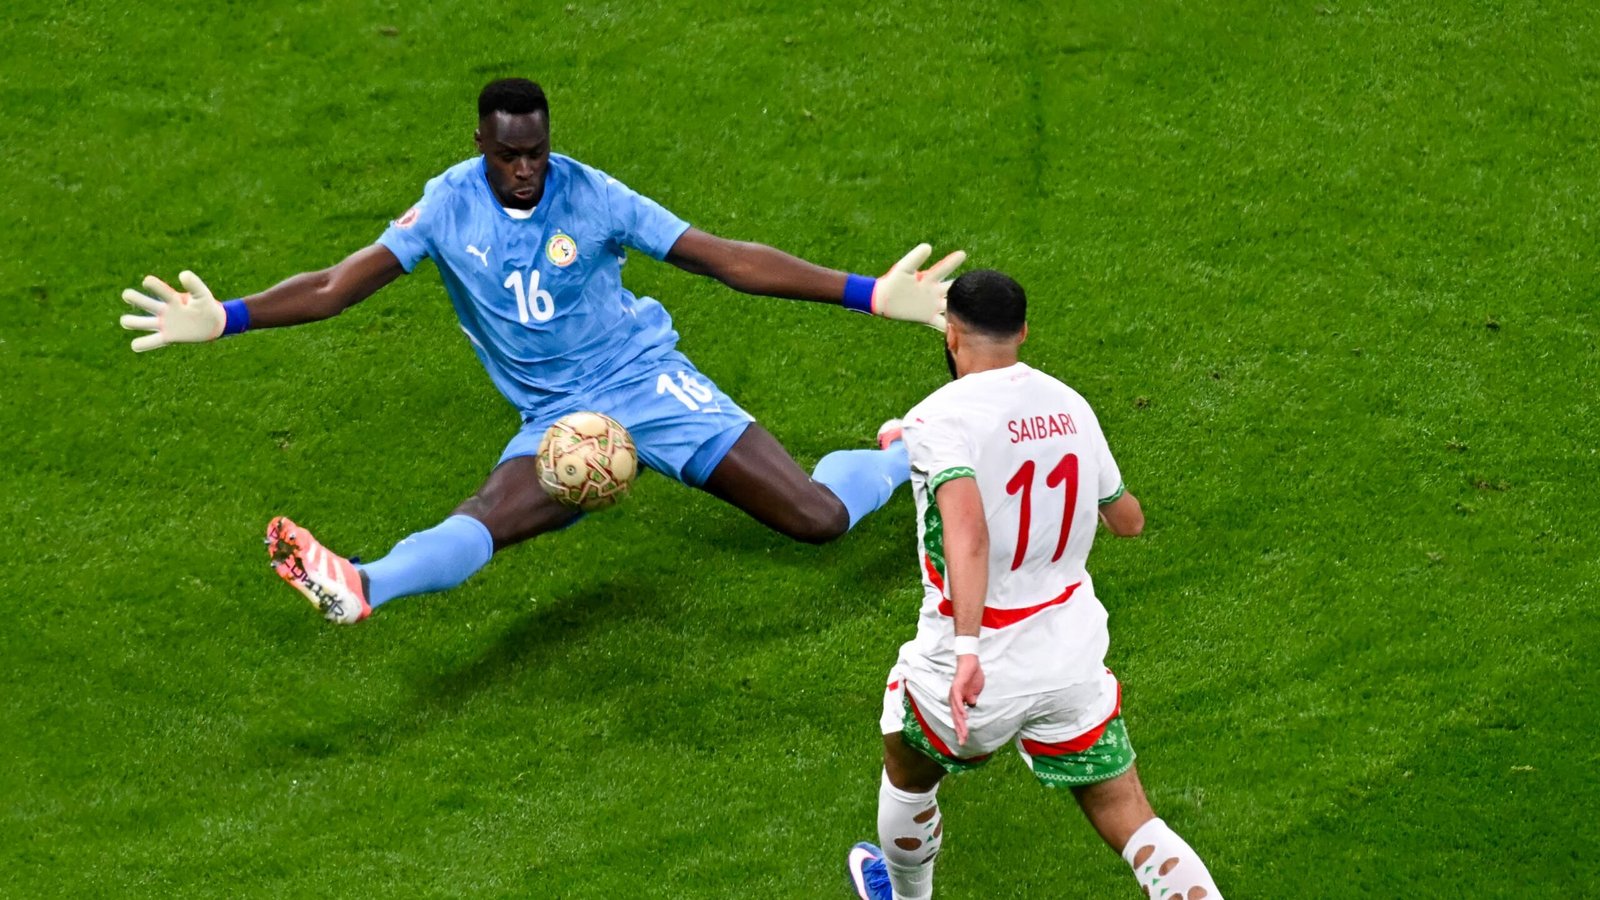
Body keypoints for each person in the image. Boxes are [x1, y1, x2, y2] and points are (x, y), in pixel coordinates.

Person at [118, 77, 964, 624]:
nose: (527, 169)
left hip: (647, 380)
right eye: (509, 155)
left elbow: (725, 259)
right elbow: (339, 285)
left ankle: (900, 452)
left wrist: (870, 293)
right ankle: (365, 583)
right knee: (484, 520)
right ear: (482, 144)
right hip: (558, 418)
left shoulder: (593, 195)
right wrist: (226, 316)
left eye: (537, 152)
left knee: (816, 519)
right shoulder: (447, 206)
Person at [846, 271, 1223, 900]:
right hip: (1069, 657)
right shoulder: (1070, 403)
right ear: (1023, 330)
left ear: (952, 333)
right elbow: (1127, 520)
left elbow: (968, 535)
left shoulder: (938, 417)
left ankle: (905, 895)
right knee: (1130, 814)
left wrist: (967, 654)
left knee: (907, 767)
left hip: (972, 665)